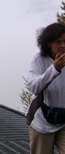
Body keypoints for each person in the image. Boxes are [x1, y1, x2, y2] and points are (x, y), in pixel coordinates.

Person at [28, 22, 65, 154]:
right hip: (44, 122)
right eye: (58, 42)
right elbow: (34, 87)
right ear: (49, 43)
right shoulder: (39, 59)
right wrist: (54, 69)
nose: (63, 45)